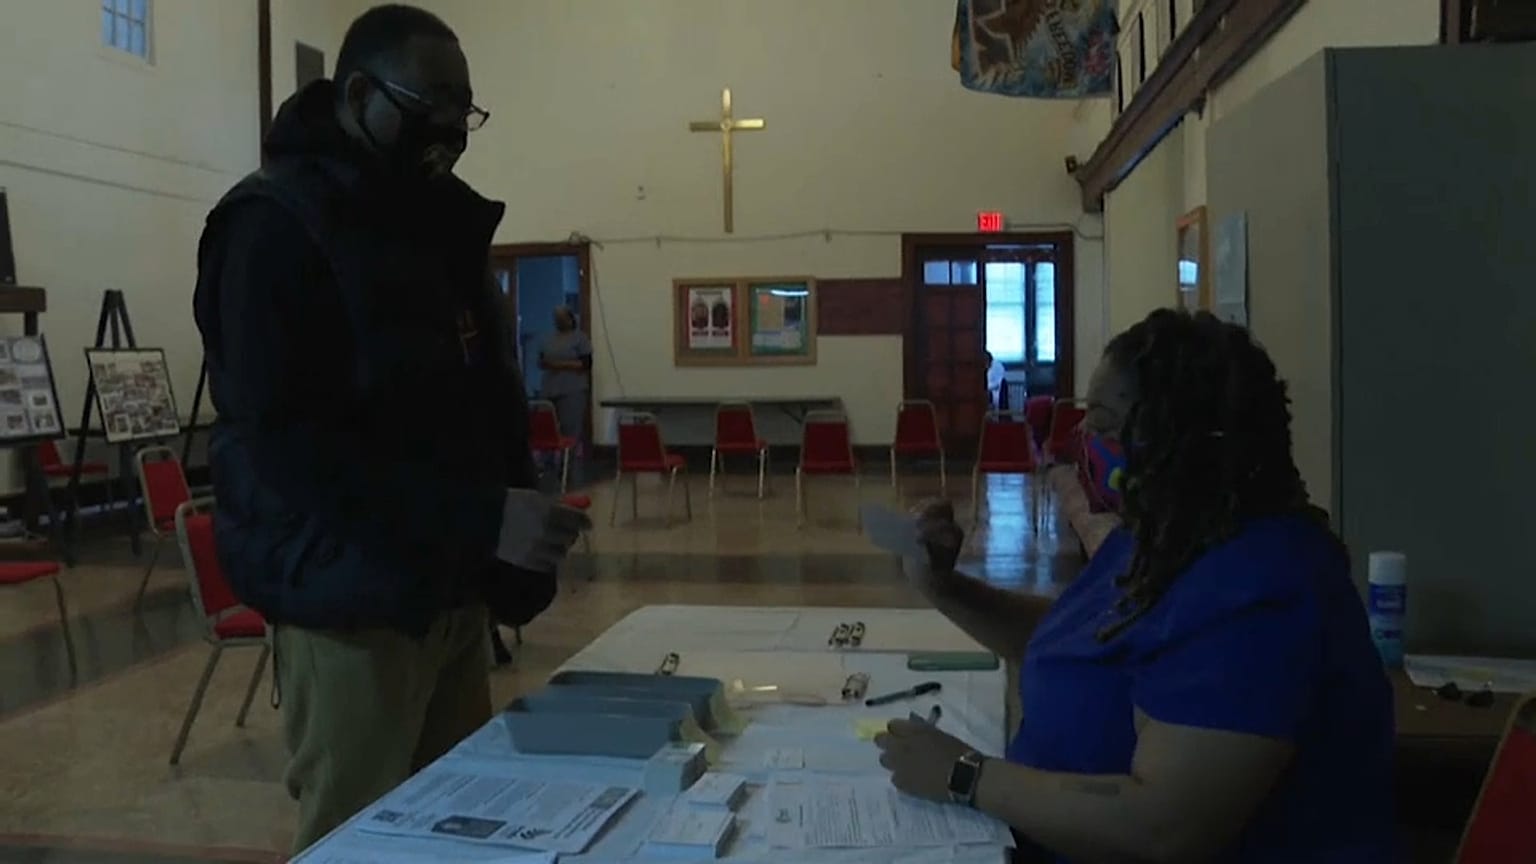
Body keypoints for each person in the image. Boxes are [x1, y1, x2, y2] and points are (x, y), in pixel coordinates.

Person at [192, 4, 587, 851]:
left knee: (455, 828)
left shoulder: (430, 218)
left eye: (465, 109)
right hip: (348, 601)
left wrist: (510, 530)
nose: (451, 128)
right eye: (432, 103)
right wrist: (483, 518)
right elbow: (289, 447)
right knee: (360, 838)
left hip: (445, 587)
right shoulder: (272, 225)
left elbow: (481, 391)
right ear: (360, 92)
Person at [877, 309, 1395, 862]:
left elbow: (1164, 827)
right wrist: (945, 586)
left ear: (1178, 437)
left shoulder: (1261, 590)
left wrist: (965, 776)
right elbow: (1081, 642)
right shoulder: (1162, 532)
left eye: (1102, 424)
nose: (1083, 441)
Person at [538, 304, 592, 452]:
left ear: (570, 319)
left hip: (572, 390)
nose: (558, 321)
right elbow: (541, 361)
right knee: (545, 427)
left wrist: (560, 364)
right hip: (549, 389)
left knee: (570, 428)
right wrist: (549, 365)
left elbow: (585, 364)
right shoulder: (548, 339)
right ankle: (546, 463)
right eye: (556, 318)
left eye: (561, 318)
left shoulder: (580, 338)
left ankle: (570, 462)